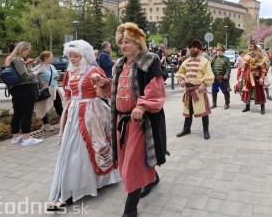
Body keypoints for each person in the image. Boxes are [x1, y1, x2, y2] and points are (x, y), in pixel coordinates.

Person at [93, 23, 167, 216]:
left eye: (128, 42)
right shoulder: (119, 64)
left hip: (140, 123)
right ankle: (153, 178)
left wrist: (142, 105)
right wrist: (104, 84)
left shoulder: (150, 61)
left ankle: (130, 210)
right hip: (121, 122)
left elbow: (156, 88)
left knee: (133, 163)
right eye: (121, 42)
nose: (123, 45)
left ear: (138, 43)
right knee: (127, 160)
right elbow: (118, 90)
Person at [48, 40, 120, 211]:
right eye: (70, 56)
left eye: (76, 56)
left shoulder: (93, 71)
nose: (72, 59)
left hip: (91, 114)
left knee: (91, 147)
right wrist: (65, 113)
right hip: (73, 114)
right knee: (70, 149)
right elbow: (68, 94)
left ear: (85, 55)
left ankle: (95, 181)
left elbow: (103, 94)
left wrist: (101, 82)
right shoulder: (69, 73)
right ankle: (70, 188)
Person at [6, 42, 48, 147]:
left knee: (18, 113)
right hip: (25, 89)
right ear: (22, 50)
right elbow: (25, 76)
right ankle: (26, 138)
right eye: (27, 51)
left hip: (16, 89)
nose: (28, 53)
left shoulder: (12, 60)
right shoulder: (18, 60)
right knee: (27, 114)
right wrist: (37, 71)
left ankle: (16, 137)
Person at [175, 39, 214, 140]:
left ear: (199, 49)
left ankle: (206, 130)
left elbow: (209, 75)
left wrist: (204, 84)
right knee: (188, 110)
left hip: (199, 91)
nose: (192, 49)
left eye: (194, 47)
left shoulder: (204, 61)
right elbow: (180, 72)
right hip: (188, 90)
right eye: (190, 47)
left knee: (203, 111)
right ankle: (186, 128)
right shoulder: (186, 61)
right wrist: (182, 80)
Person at [33, 51, 63, 132]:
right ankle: (46, 124)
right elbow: (32, 75)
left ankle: (65, 122)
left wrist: (56, 77)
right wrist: (40, 81)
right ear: (46, 58)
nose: (53, 58)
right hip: (45, 90)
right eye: (51, 57)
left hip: (54, 89)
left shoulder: (52, 66)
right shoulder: (39, 67)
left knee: (59, 106)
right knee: (43, 107)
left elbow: (52, 75)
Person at [239, 42, 267, 115]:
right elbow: (243, 68)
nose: (251, 51)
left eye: (253, 50)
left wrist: (261, 78)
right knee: (247, 92)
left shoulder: (260, 57)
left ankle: (262, 108)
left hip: (257, 77)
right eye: (250, 50)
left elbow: (263, 70)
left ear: (255, 50)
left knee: (259, 92)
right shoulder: (246, 57)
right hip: (248, 77)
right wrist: (241, 77)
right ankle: (247, 106)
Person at [210, 43, 231, 109]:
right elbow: (209, 67)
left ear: (223, 51)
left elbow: (228, 68)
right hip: (214, 79)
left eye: (221, 50)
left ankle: (227, 103)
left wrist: (227, 74)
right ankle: (214, 103)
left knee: (225, 91)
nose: (219, 51)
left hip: (223, 79)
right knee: (214, 91)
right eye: (218, 50)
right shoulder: (213, 59)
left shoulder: (226, 59)